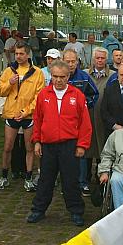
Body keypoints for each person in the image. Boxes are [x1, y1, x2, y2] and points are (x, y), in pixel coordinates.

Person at [27, 60, 91, 226]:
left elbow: (85, 123)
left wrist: (82, 145)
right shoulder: (43, 95)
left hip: (69, 145)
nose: (58, 80)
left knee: (71, 180)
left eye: (62, 77)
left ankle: (76, 211)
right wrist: (37, 141)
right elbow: (38, 119)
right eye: (55, 76)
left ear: (68, 76)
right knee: (45, 179)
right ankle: (38, 209)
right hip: (48, 145)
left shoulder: (77, 95)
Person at [0, 42, 44, 191]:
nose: (18, 56)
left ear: (28, 54)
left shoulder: (37, 72)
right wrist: (9, 83)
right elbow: (0, 91)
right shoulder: (9, 71)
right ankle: (4, 176)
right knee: (7, 147)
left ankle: (28, 178)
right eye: (16, 53)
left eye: (21, 53)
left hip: (28, 116)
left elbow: (39, 96)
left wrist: (26, 111)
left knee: (29, 148)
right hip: (11, 114)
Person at [63, 48, 99, 193]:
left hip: (80, 121)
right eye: (68, 61)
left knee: (81, 151)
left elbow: (94, 94)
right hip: (63, 122)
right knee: (64, 153)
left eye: (73, 61)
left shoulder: (84, 77)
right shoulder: (59, 77)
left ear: (78, 62)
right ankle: (66, 183)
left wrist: (84, 105)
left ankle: (82, 182)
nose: (71, 64)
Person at [86, 47, 111, 184]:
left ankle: (101, 179)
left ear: (106, 59)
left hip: (104, 118)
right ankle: (85, 179)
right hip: (87, 117)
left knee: (103, 148)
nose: (100, 60)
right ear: (93, 59)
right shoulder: (85, 74)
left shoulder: (113, 75)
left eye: (102, 58)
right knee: (87, 149)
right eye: (97, 58)